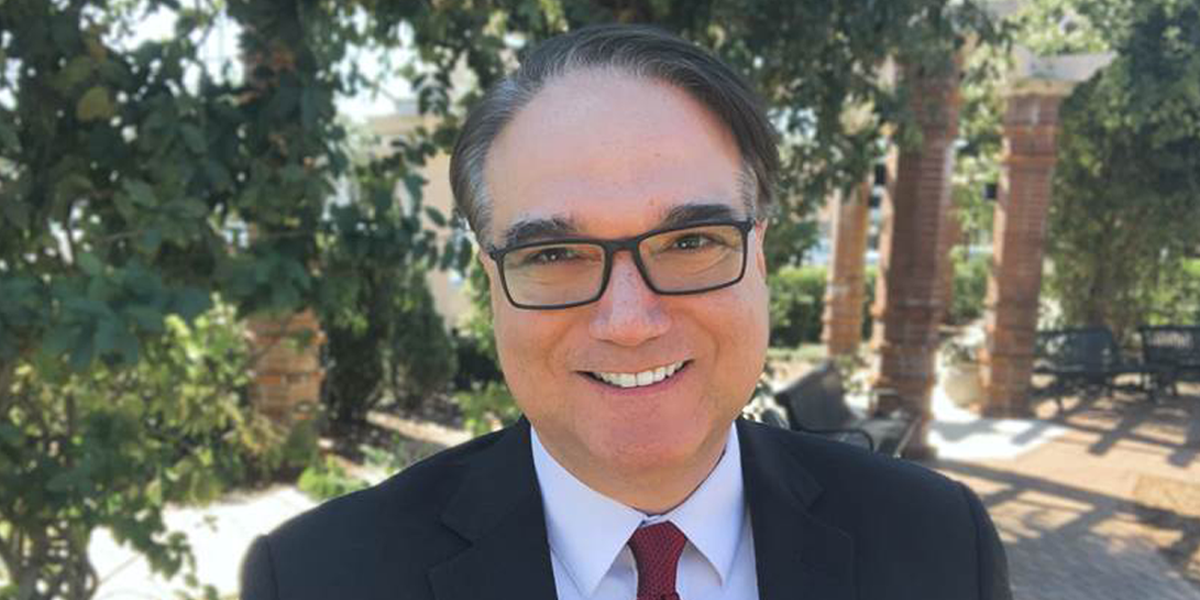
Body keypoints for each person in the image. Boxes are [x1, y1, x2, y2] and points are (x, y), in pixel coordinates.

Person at [240, 24, 1012, 600]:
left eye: (690, 241)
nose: (629, 320)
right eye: (553, 255)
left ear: (761, 256)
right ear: (492, 281)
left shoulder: (941, 544)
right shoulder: (316, 577)